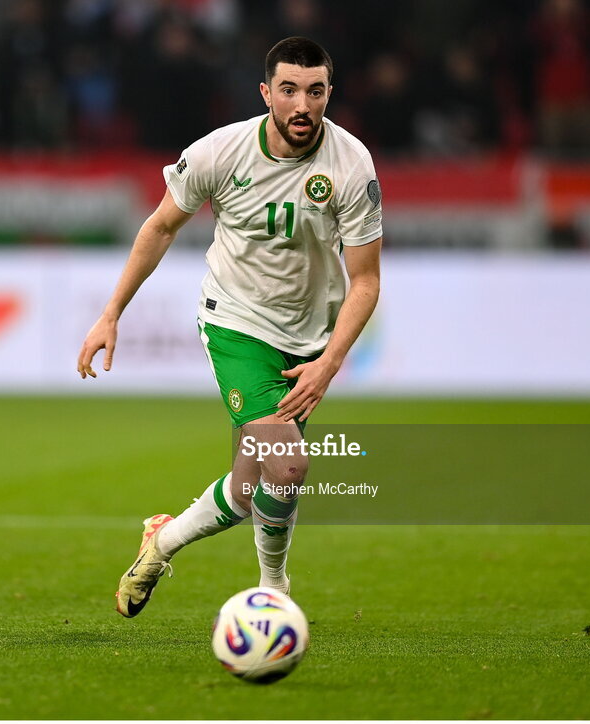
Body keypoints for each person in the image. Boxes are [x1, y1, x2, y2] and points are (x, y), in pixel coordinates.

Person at [76, 36, 383, 618]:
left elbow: (364, 280)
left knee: (249, 491)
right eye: (288, 90)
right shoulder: (221, 152)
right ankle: (274, 591)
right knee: (289, 465)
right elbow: (161, 227)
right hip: (237, 323)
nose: (302, 105)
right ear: (267, 92)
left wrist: (329, 362)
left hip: (308, 338)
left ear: (328, 94)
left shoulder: (352, 164)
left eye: (314, 91)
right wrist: (111, 312)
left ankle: (160, 540)